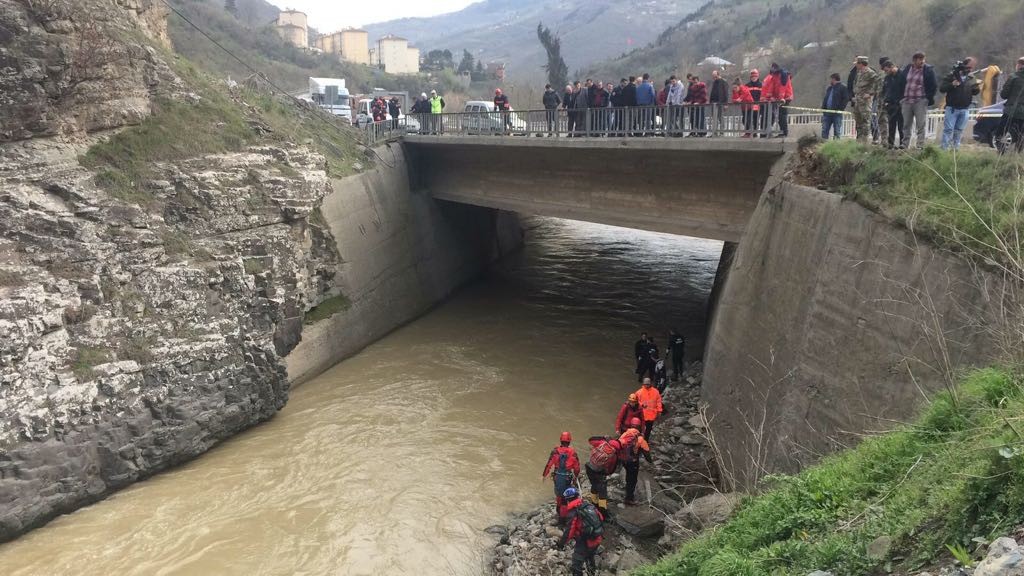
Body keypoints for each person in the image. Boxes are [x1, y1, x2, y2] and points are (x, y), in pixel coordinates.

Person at [555, 487, 604, 576]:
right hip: (597, 537)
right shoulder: (588, 505)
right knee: (590, 556)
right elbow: (601, 518)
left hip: (586, 541)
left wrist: (561, 544)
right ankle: (592, 572)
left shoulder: (573, 512)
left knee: (576, 561)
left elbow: (569, 532)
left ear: (568, 500)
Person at [896, 52, 938, 149]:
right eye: (920, 60)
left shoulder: (928, 71)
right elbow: (901, 83)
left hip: (920, 100)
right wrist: (901, 98)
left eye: (923, 59)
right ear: (914, 60)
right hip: (907, 100)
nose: (922, 62)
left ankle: (920, 145)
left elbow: (934, 86)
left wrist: (928, 98)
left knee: (920, 124)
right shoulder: (907, 69)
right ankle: (905, 144)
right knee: (906, 124)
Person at [939, 57, 980, 150]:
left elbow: (975, 92)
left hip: (965, 108)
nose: (970, 69)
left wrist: (976, 86)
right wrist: (952, 84)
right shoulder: (951, 76)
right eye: (969, 67)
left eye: (972, 67)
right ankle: (944, 148)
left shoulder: (971, 77)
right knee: (948, 130)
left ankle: (955, 149)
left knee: (959, 130)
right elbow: (942, 88)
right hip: (952, 108)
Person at [542, 431, 581, 524]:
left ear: (560, 440)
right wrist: (576, 476)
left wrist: (544, 475)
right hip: (567, 478)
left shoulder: (555, 451)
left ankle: (559, 514)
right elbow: (577, 467)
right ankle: (562, 519)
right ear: (569, 441)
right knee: (564, 498)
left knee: (559, 496)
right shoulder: (573, 452)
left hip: (557, 477)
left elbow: (549, 464)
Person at [585, 435, 622, 516]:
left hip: (589, 467)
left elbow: (590, 440)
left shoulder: (602, 443)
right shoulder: (613, 455)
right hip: (599, 472)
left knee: (594, 485)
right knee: (602, 492)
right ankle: (603, 512)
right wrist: (606, 474)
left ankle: (594, 503)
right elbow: (610, 468)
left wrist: (603, 437)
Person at [619, 418, 653, 506]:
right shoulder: (640, 439)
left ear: (631, 425)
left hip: (624, 461)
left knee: (628, 476)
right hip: (633, 462)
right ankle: (629, 499)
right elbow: (646, 452)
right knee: (632, 480)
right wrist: (650, 462)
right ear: (639, 427)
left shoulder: (624, 435)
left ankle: (627, 491)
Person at [851, 56, 880, 143]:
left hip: (865, 102)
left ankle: (865, 141)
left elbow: (878, 84)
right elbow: (856, 84)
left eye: (857, 64)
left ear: (861, 64)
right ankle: (859, 140)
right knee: (858, 122)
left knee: (865, 121)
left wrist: (870, 93)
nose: (856, 66)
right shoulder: (859, 73)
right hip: (858, 101)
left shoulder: (871, 73)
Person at [761, 62, 793, 137]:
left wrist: (781, 98)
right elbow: (771, 88)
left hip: (786, 98)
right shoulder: (774, 77)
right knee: (780, 115)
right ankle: (782, 132)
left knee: (782, 115)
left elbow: (782, 87)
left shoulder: (782, 76)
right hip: (779, 99)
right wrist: (769, 96)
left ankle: (784, 132)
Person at [1000, 57, 1024, 154]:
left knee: (1001, 131)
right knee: (1021, 134)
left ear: (1019, 65)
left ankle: (1001, 154)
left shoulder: (1014, 77)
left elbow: (1003, 95)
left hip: (1011, 110)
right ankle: (1018, 154)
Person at [880, 61, 905, 148]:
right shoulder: (887, 78)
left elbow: (905, 89)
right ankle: (891, 143)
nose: (886, 72)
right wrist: (885, 100)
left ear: (891, 67)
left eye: (886, 70)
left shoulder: (902, 75)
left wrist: (901, 101)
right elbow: (885, 91)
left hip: (901, 104)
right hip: (890, 105)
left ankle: (903, 143)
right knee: (891, 125)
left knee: (901, 125)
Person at [821, 73, 850, 140]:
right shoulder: (830, 88)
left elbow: (846, 99)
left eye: (831, 79)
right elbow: (826, 98)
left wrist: (840, 108)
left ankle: (836, 144)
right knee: (825, 129)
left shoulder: (843, 88)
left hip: (837, 113)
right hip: (827, 113)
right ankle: (823, 144)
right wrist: (823, 107)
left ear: (834, 79)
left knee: (837, 130)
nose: (830, 81)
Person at [709, 69, 730, 136]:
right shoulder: (714, 82)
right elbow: (712, 92)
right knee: (714, 118)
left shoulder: (723, 82)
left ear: (718, 75)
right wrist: (711, 101)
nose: (714, 78)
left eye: (715, 76)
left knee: (721, 117)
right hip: (714, 103)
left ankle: (721, 131)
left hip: (721, 103)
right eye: (713, 76)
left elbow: (726, 93)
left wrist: (726, 103)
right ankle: (714, 132)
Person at [745, 69, 764, 136]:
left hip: (758, 105)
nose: (754, 78)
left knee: (756, 119)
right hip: (749, 106)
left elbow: (762, 95)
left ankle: (755, 133)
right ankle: (748, 132)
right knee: (747, 119)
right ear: (751, 77)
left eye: (755, 76)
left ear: (757, 77)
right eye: (752, 77)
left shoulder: (761, 85)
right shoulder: (747, 85)